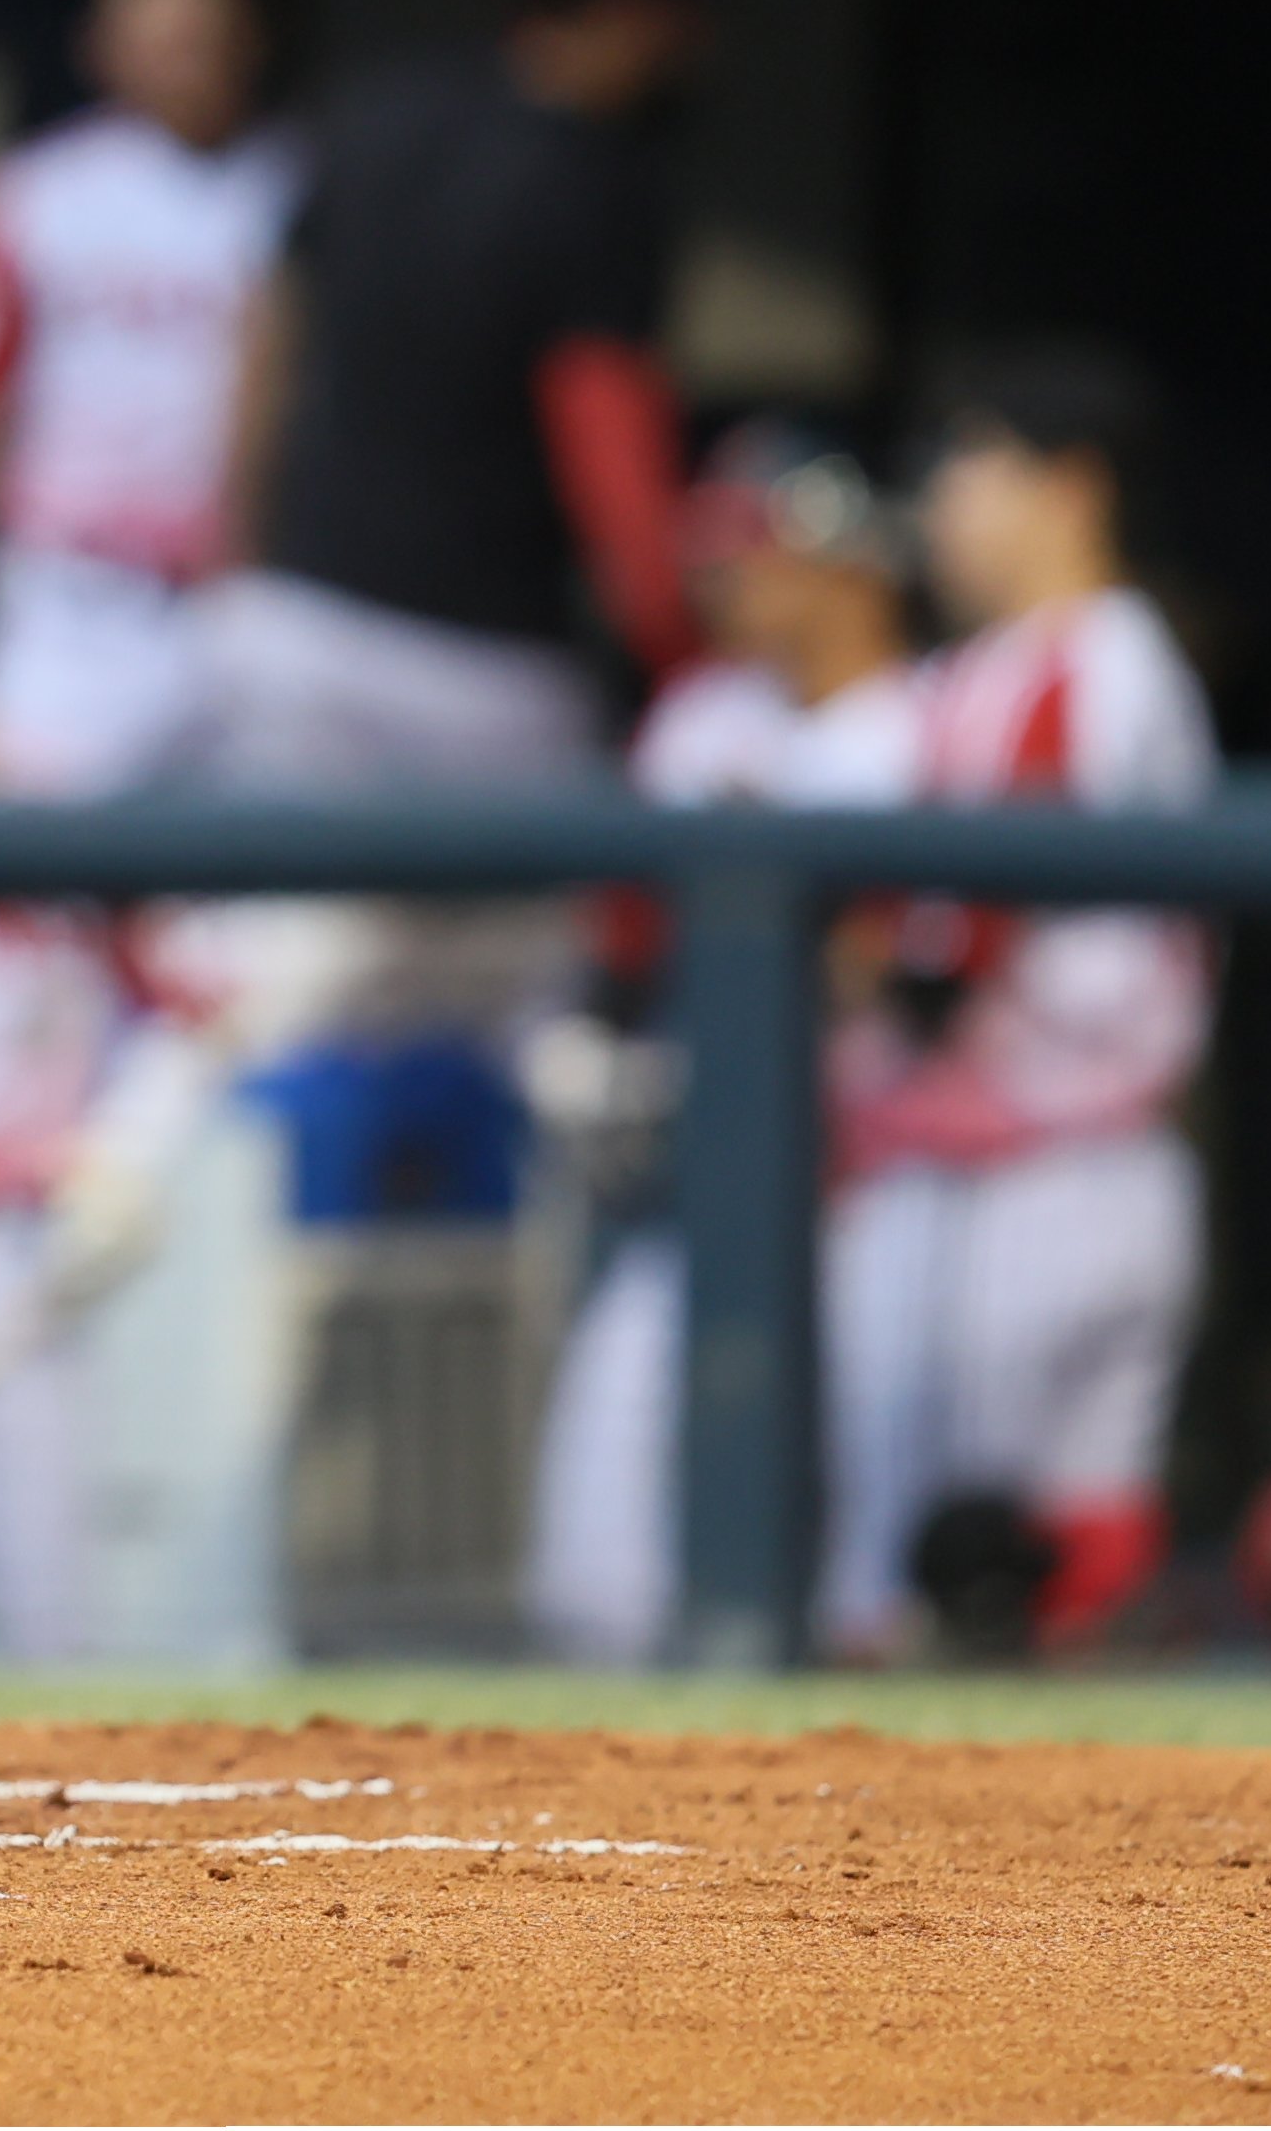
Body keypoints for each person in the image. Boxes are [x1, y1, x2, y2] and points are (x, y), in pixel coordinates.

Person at [818, 347, 1215, 1658]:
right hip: (1065, 1157)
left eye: (970, 470)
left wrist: (849, 959)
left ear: (1070, 488)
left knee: (940, 1575)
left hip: (1023, 1161)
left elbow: (954, 942)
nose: (943, 506)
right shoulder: (1026, 665)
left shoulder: (1081, 663)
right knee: (1066, 1553)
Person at [526, 417, 925, 1665]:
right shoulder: (703, 712)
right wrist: (597, 1036)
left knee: (874, 1571)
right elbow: (625, 930)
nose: (722, 584)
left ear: (844, 562)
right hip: (702, 1170)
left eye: (753, 556)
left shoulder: (925, 723)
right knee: (595, 1564)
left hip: (883, 1178)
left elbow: (915, 972)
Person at [196, 0, 701, 803]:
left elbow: (266, 345)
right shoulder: (600, 178)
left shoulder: (372, 116)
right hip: (487, 667)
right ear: (633, 9)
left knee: (285, 898)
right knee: (528, 902)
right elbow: (610, 449)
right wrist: (679, 653)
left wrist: (235, 561)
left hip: (294, 623)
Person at [0, 0, 294, 795]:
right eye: (163, 37)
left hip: (249, 604)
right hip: (73, 601)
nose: (187, 59)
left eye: (204, 35)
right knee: (34, 849)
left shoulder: (298, 192)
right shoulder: (37, 192)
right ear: (102, 47)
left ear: (251, 38)